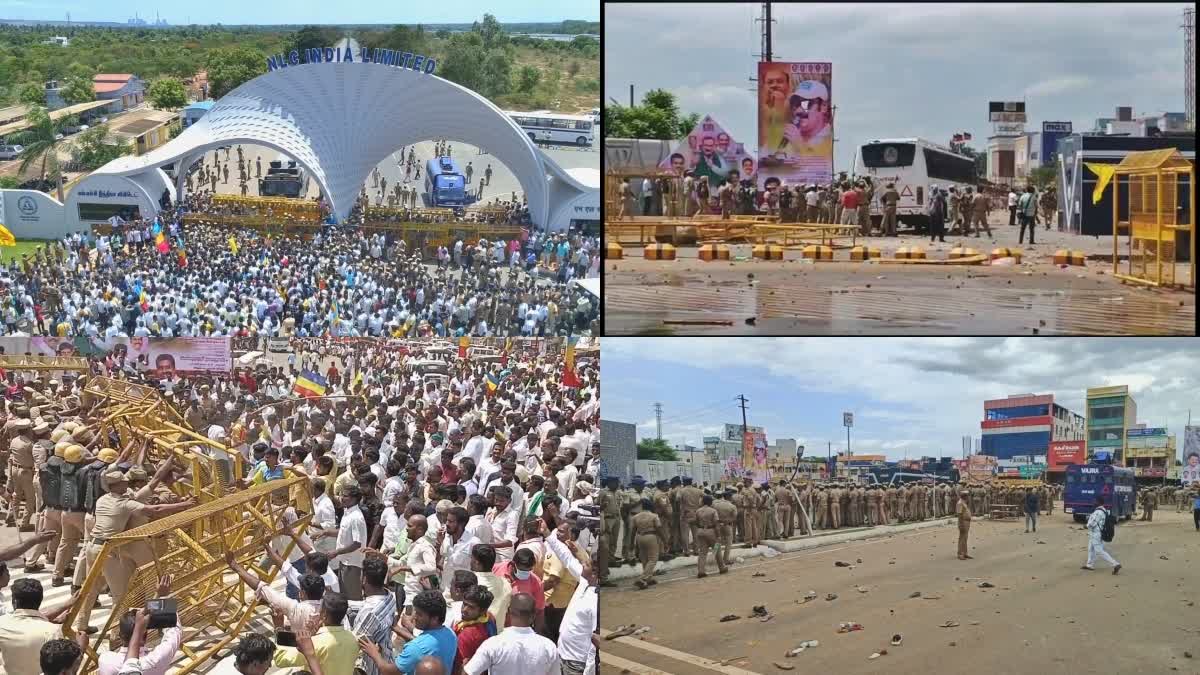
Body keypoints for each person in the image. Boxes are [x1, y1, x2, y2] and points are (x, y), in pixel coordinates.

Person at [363, 589, 457, 675]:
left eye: (419, 614)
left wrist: (374, 653)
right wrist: (397, 629)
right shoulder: (451, 634)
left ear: (434, 619)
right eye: (415, 611)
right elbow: (425, 645)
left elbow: (388, 671)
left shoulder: (416, 648)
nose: (414, 617)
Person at [463, 593, 559, 675]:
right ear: (534, 615)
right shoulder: (549, 647)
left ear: (508, 612)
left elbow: (469, 672)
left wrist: (465, 666)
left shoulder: (494, 643)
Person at [273, 592, 358, 674]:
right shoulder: (353, 639)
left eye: (320, 610)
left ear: (324, 614)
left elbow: (281, 659)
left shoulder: (314, 644)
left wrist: (278, 627)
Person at [1083, 496, 1120, 574]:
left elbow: (1093, 522)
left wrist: (1086, 526)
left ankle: (1115, 564)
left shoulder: (1098, 512)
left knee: (1099, 551)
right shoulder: (1103, 510)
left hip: (1096, 534)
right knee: (1091, 549)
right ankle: (1089, 565)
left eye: (1095, 501)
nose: (1093, 503)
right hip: (1096, 533)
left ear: (1098, 502)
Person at [693, 495, 725, 578]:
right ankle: (722, 568)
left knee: (702, 552)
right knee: (716, 549)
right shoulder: (713, 511)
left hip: (700, 531)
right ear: (710, 502)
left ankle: (701, 571)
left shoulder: (698, 510)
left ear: (703, 501)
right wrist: (718, 535)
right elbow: (716, 524)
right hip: (711, 531)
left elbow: (695, 522)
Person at [956, 490, 972, 560]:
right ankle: (960, 554)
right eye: (967, 495)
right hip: (963, 522)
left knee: (965, 538)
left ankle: (965, 553)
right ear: (964, 496)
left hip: (967, 522)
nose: (968, 497)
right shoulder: (960, 503)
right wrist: (961, 524)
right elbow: (959, 515)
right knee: (962, 538)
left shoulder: (964, 502)